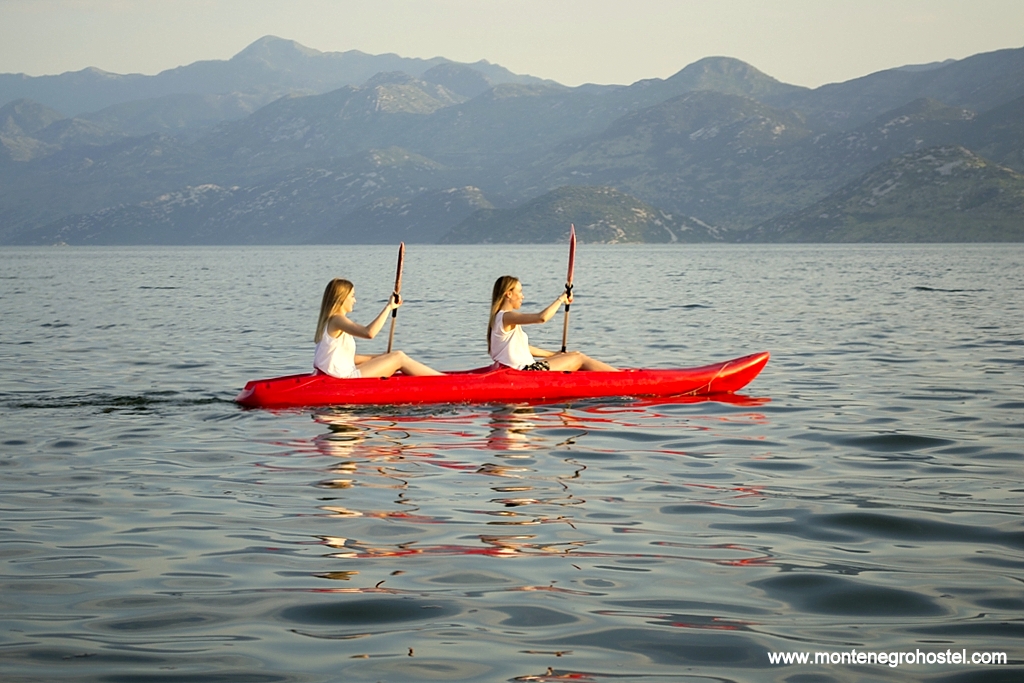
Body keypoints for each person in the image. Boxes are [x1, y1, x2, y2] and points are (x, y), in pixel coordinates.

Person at [314, 278, 443, 378]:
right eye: (352, 296)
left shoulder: (330, 321)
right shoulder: (337, 319)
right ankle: (446, 381)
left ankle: (442, 378)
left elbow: (348, 358)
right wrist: (388, 307)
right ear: (341, 298)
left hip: (336, 374)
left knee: (394, 357)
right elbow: (369, 333)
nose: (355, 300)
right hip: (342, 378)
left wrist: (379, 358)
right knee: (399, 357)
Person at [488, 275, 618, 372]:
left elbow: (522, 347)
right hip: (525, 372)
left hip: (522, 369)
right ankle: (621, 378)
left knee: (572, 355)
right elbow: (542, 318)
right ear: (509, 294)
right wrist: (561, 299)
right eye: (520, 291)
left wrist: (553, 355)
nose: (523, 296)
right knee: (579, 358)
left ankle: (617, 375)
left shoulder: (499, 317)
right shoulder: (507, 316)